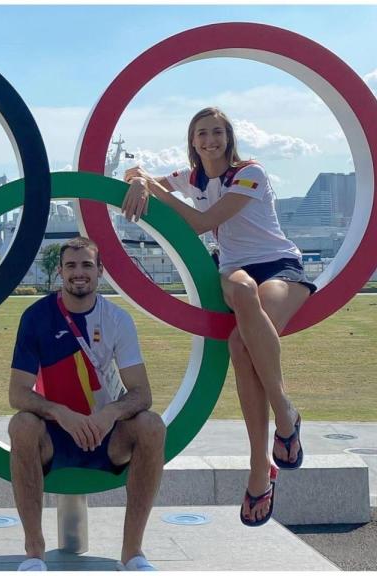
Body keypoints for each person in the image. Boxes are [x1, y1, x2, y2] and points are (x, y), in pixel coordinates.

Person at [122, 107, 315, 528]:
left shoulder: (251, 172)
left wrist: (154, 189)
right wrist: (140, 180)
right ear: (191, 141)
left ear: (229, 138)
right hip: (233, 270)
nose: (209, 140)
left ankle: (260, 468)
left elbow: (202, 222)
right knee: (242, 291)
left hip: (279, 266)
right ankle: (286, 418)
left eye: (216, 132)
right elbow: (134, 171)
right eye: (201, 134)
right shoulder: (192, 178)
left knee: (240, 344)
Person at [9, 237, 165, 572]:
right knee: (21, 424)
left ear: (100, 272)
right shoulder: (36, 317)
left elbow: (141, 393)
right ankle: (34, 553)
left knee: (151, 425)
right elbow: (18, 394)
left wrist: (109, 414)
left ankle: (132, 554)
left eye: (87, 265)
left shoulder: (117, 319)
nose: (79, 273)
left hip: (106, 436)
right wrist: (60, 413)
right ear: (60, 272)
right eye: (71, 266)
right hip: (54, 437)